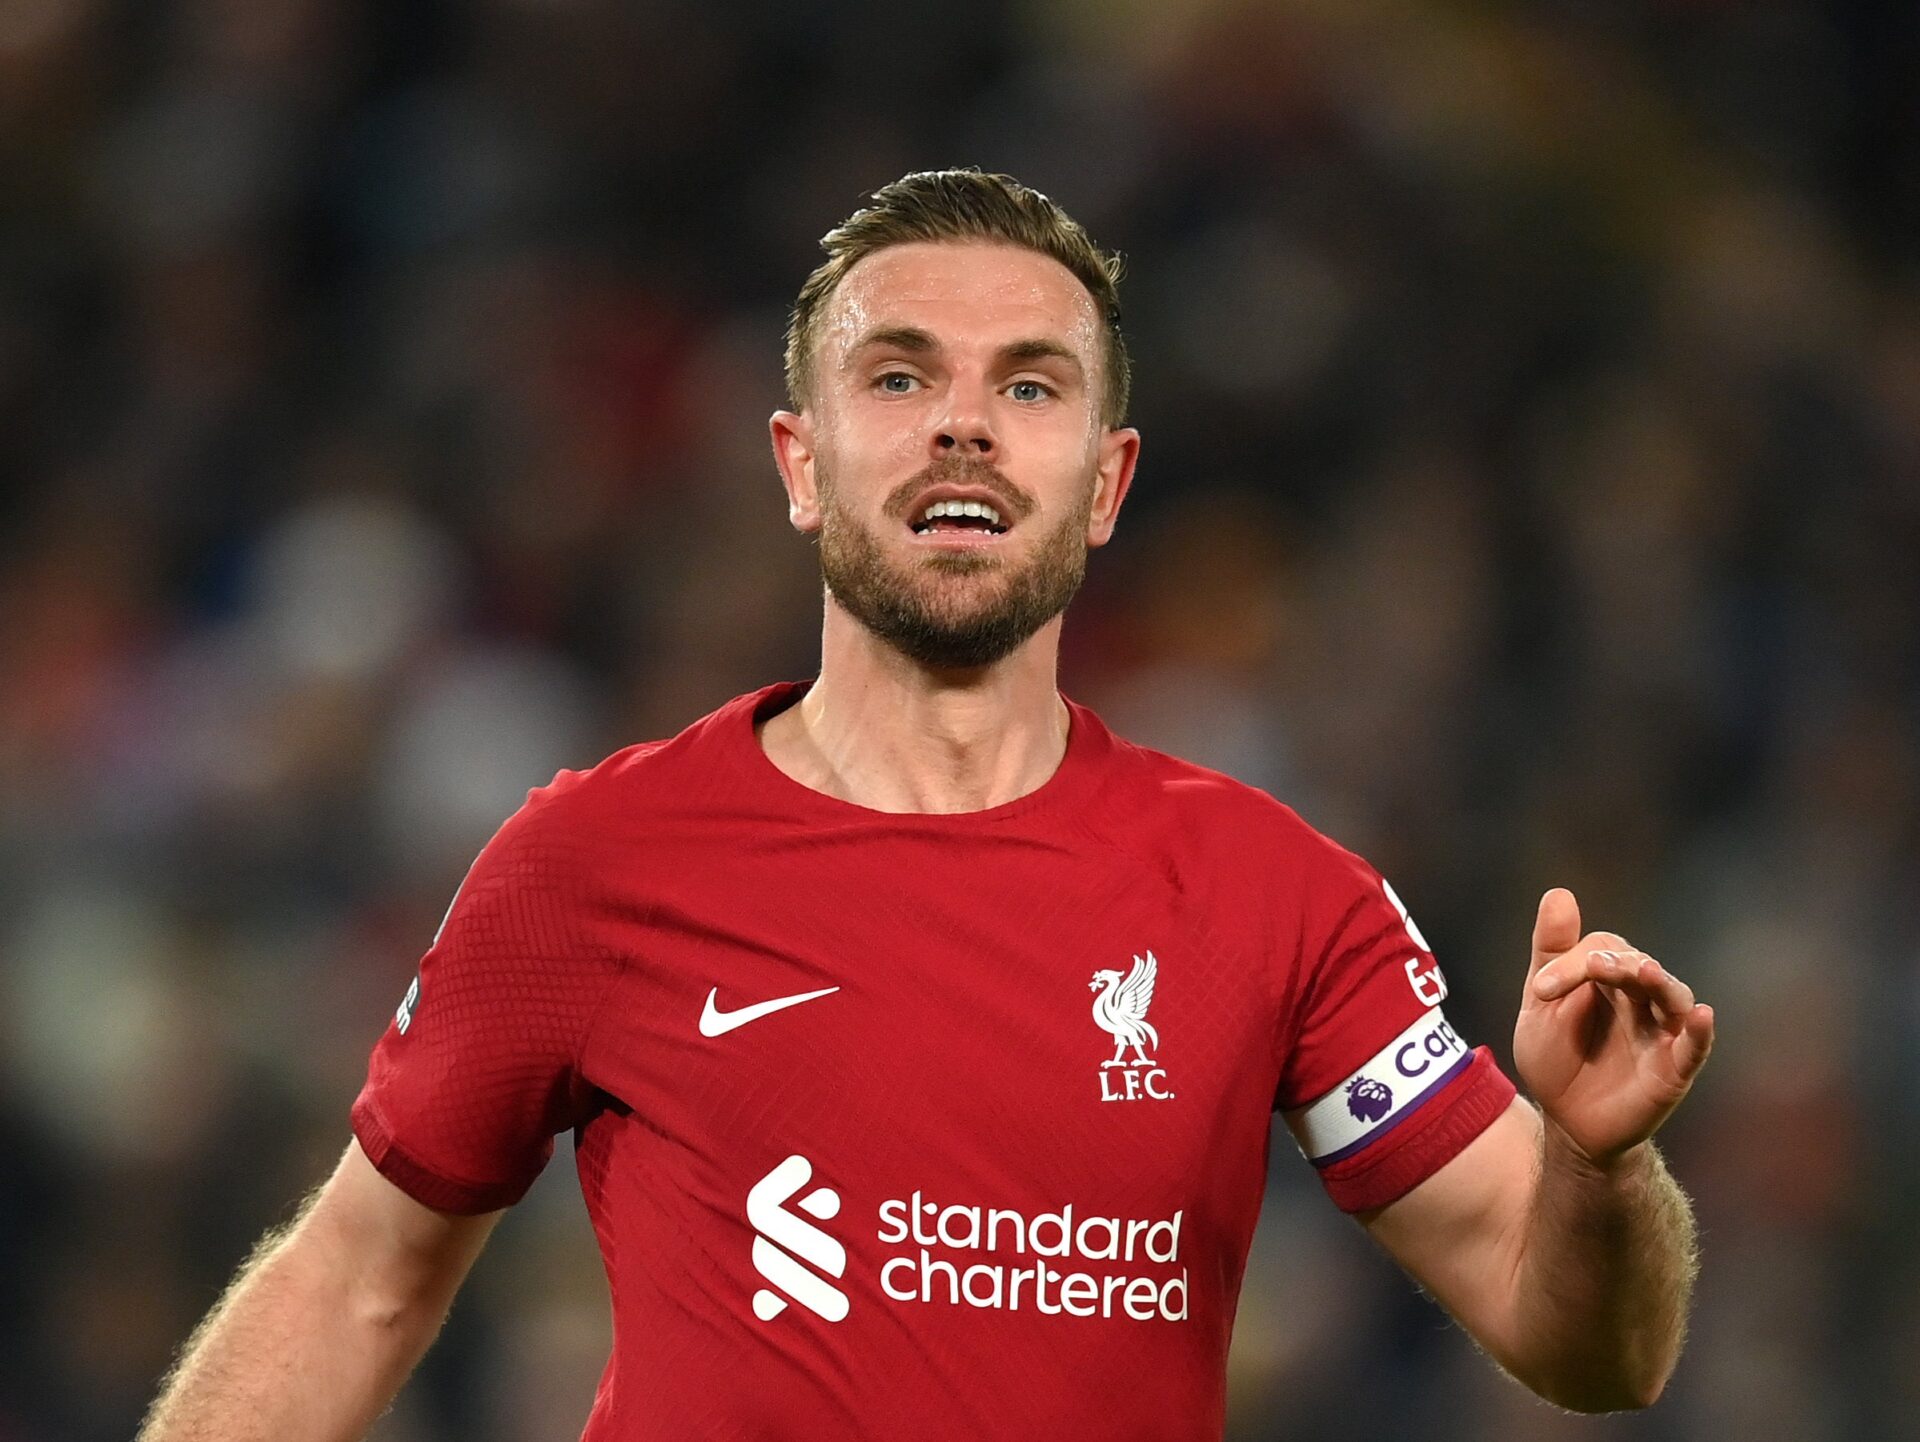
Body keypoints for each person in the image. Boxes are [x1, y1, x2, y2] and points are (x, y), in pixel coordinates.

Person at [137, 169, 1715, 1441]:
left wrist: (1597, 1168)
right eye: (900, 375)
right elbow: (357, 1280)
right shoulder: (590, 863)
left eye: (1030, 387)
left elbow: (1586, 1348)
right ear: (800, 460)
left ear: (1104, 483)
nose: (963, 421)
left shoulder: (1276, 894)